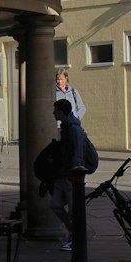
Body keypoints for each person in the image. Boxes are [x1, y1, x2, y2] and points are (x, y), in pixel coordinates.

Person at [48, 97, 87, 250]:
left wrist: (76, 173)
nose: (53, 113)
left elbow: (77, 151)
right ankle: (73, 233)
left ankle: (75, 238)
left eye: (56, 110)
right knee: (55, 205)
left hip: (71, 176)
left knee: (74, 210)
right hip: (62, 174)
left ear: (62, 112)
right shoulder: (65, 127)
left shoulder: (74, 129)